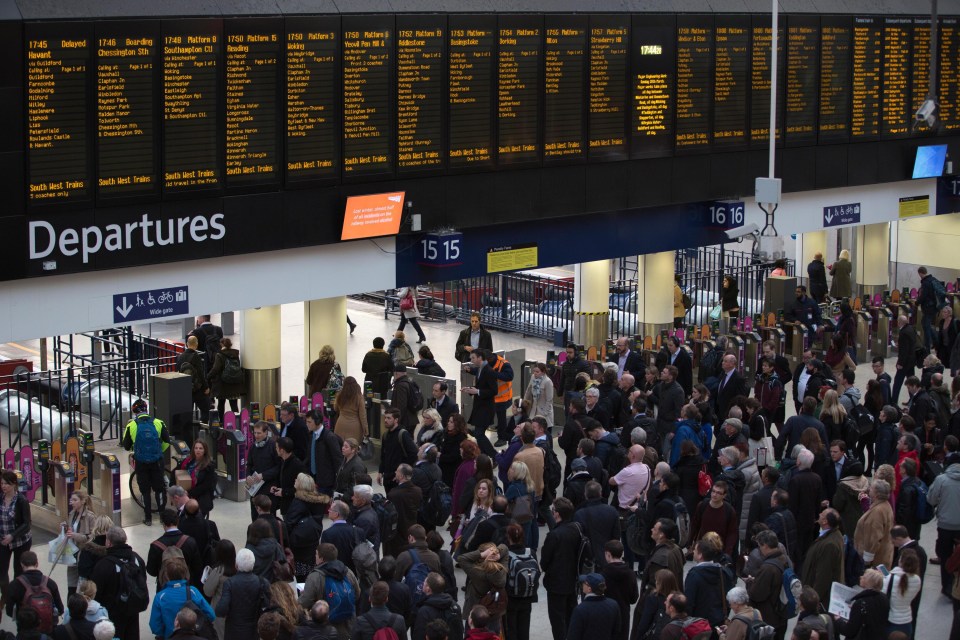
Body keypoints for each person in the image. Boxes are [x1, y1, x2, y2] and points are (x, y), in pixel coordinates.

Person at [89, 526, 146, 640]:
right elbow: (142, 581)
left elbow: (96, 592)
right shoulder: (137, 560)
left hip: (111, 615)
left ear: (109, 542)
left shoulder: (103, 565)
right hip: (133, 610)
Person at [121, 398, 171, 525]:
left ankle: (148, 518)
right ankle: (161, 516)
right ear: (146, 409)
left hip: (141, 462)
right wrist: (159, 451)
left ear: (134, 411)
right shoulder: (159, 423)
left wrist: (137, 450)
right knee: (159, 489)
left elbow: (126, 446)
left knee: (145, 490)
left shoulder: (131, 425)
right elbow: (166, 440)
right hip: (157, 461)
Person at [540, 497, 582, 640]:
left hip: (556, 584)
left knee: (557, 620)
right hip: (573, 580)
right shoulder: (577, 528)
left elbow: (544, 562)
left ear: (556, 514)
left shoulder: (554, 535)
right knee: (571, 615)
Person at [214, 547, 271, 640]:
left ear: (236, 565)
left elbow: (221, 610)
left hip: (233, 631)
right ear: (253, 564)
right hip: (254, 631)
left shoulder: (230, 583)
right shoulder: (262, 582)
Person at [148, 560, 214, 640]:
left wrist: (165, 633)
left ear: (167, 576)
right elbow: (211, 614)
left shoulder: (160, 596)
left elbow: (155, 625)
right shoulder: (193, 591)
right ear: (184, 574)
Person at [4, 550, 64, 629]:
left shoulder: (14, 585)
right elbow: (60, 609)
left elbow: (9, 612)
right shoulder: (50, 583)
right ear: (37, 563)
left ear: (22, 564)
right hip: (48, 630)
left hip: (25, 629)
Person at [683, 538, 736, 628]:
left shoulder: (694, 575)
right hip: (718, 621)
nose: (693, 552)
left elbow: (689, 602)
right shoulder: (722, 572)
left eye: (695, 550)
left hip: (699, 624)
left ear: (700, 555)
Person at [928, 451, 960, 596]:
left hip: (945, 525)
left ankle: (946, 586)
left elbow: (931, 499)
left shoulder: (941, 479)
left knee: (945, 555)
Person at [145, 508, 203, 589]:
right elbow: (197, 567)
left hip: (164, 588)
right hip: (186, 587)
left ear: (164, 524)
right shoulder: (190, 542)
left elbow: (151, 571)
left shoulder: (155, 546)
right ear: (178, 522)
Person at [746, 530, 788, 640]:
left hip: (769, 618)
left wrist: (751, 583)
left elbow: (757, 594)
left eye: (759, 546)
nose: (759, 549)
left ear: (765, 545)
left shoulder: (768, 568)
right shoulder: (784, 559)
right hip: (781, 614)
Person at [286, 473, 328, 579]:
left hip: (299, 543)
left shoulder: (298, 502)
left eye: (297, 480)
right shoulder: (319, 502)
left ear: (301, 485)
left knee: (301, 576)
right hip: (313, 540)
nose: (295, 480)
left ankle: (304, 593)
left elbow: (289, 523)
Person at [801, 508, 845, 604]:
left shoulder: (829, 544)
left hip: (820, 599)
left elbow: (823, 575)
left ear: (825, 521)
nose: (820, 514)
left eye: (822, 514)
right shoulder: (833, 535)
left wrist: (812, 600)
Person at [573, 482, 620, 570]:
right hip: (608, 556)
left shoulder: (579, 514)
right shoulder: (612, 511)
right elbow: (616, 535)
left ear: (585, 495)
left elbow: (577, 538)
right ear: (600, 494)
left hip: (587, 559)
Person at [833, 568, 890, 640]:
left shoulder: (860, 603)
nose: (861, 577)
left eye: (864, 577)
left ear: (868, 582)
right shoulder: (884, 598)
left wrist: (838, 621)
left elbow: (849, 630)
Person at [599, 541, 638, 640]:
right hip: (623, 615)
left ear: (608, 554)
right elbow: (634, 598)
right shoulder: (631, 574)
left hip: (606, 615)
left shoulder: (602, 576)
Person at [565, 573, 621, 640]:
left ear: (589, 589)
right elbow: (616, 632)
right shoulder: (614, 605)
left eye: (584, 583)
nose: (582, 584)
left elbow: (573, 636)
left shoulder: (580, 610)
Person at [854, 477, 894, 570]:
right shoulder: (885, 505)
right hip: (884, 554)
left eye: (871, 488)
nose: (869, 489)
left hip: (876, 560)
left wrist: (867, 560)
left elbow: (873, 538)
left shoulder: (877, 512)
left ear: (877, 493)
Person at [61, 490, 95, 596]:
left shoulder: (90, 516)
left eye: (75, 500)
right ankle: (71, 606)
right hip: (72, 552)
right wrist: (65, 528)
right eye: (71, 500)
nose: (72, 502)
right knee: (71, 585)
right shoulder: (72, 514)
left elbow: (92, 537)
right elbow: (71, 529)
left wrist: (75, 535)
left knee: (82, 586)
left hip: (83, 554)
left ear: (83, 501)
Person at [882, 548, 922, 637]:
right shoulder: (917, 579)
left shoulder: (890, 578)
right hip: (907, 622)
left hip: (891, 621)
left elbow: (882, 595)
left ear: (900, 561)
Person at [412, 573, 464, 640]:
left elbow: (418, 635)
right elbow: (459, 632)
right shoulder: (455, 606)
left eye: (424, 582)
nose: (422, 583)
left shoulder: (424, 611)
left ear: (428, 589)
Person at [246, 420, 280, 520]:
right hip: (255, 490)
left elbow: (279, 467)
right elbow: (249, 464)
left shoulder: (273, 446)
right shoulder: (253, 446)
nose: (256, 435)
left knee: (269, 518)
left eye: (259, 433)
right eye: (255, 433)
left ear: (266, 433)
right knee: (255, 517)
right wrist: (248, 475)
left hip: (268, 489)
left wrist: (263, 475)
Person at [305, 408, 344, 496]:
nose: (307, 424)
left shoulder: (329, 437)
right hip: (313, 479)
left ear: (318, 422)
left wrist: (337, 481)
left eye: (309, 422)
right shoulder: (311, 435)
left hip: (326, 482)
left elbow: (338, 460)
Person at [202, 539, 235, 639]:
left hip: (219, 611)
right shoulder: (238, 569)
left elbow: (207, 591)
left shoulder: (218, 571)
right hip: (235, 610)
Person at [175, 335, 210, 425]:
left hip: (185, 389)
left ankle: (188, 432)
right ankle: (203, 427)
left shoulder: (180, 357)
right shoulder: (196, 356)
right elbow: (200, 373)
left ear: (187, 344)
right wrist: (206, 387)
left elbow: (178, 372)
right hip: (197, 390)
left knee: (187, 413)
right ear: (196, 344)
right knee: (205, 409)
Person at [179, 439, 217, 514]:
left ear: (205, 450)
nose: (198, 450)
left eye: (200, 448)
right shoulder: (188, 461)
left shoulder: (209, 465)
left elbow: (205, 486)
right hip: (186, 492)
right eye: (196, 448)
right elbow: (177, 472)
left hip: (201, 494)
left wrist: (189, 493)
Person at [207, 337, 243, 415]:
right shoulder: (235, 354)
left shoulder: (219, 355)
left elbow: (216, 369)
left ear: (221, 344)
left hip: (223, 384)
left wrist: (208, 376)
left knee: (221, 404)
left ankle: (221, 422)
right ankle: (236, 421)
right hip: (234, 383)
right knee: (234, 404)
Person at [333, 376, 368, 443]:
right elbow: (363, 415)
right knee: (352, 448)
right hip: (354, 426)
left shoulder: (339, 395)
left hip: (341, 424)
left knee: (340, 447)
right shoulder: (359, 397)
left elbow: (335, 408)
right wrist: (365, 430)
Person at [893, 315, 919, 404]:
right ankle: (913, 400)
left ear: (900, 322)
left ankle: (893, 401)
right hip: (912, 361)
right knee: (911, 382)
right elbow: (909, 344)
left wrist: (900, 363)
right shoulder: (911, 328)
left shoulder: (903, 332)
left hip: (905, 362)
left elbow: (904, 350)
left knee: (897, 382)